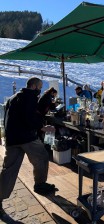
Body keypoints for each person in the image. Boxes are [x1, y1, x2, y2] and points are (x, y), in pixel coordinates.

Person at [0, 77, 57, 215]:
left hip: (12, 139)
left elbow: (7, 118)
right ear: (34, 86)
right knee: (42, 157)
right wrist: (43, 127)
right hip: (27, 137)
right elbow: (29, 118)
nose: (40, 90)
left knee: (9, 170)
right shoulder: (30, 97)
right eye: (40, 87)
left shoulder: (13, 98)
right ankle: (40, 185)